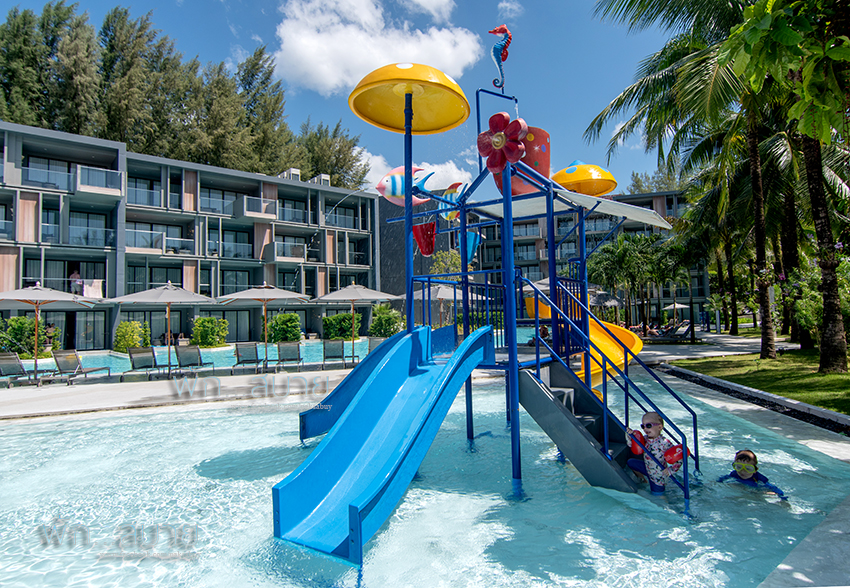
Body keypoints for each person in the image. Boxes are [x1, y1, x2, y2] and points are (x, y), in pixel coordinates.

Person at [625, 411, 681, 495]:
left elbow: (679, 458)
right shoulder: (645, 439)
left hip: (658, 477)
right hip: (648, 469)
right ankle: (643, 480)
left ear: (659, 427)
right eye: (643, 426)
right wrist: (630, 435)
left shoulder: (664, 443)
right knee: (631, 462)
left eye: (648, 425)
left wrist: (671, 470)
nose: (645, 429)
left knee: (657, 496)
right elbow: (631, 445)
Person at [718, 449, 787, 500]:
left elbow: (775, 489)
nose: (742, 471)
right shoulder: (735, 473)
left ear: (755, 470)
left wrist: (782, 497)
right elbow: (724, 478)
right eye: (739, 467)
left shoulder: (760, 479)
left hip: (756, 490)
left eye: (748, 468)